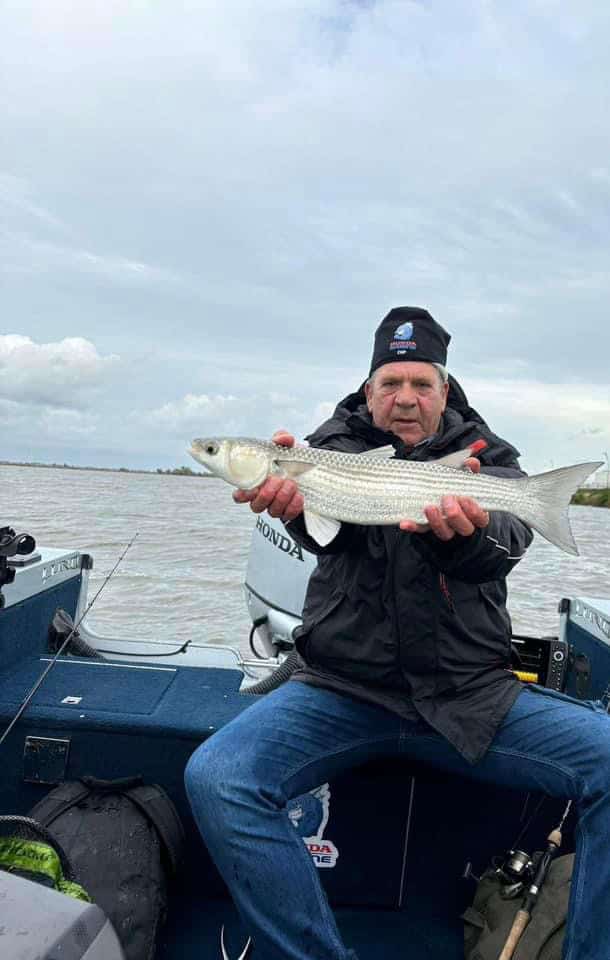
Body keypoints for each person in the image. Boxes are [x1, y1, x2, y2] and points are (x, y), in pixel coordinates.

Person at [185, 307, 610, 960]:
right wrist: (294, 515)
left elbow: (508, 542)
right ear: (369, 386)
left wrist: (468, 536)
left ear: (444, 388)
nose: (405, 398)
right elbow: (322, 531)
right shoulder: (325, 446)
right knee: (219, 777)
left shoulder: (484, 455)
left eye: (421, 383)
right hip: (341, 689)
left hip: (468, 697)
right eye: (390, 382)